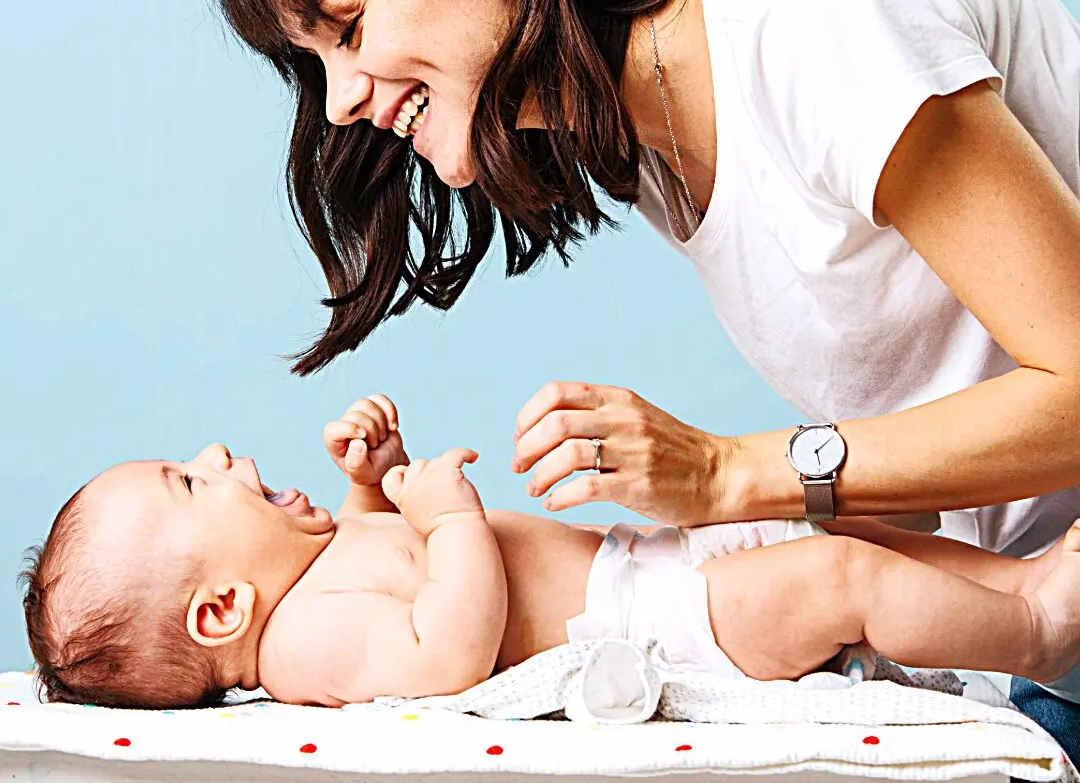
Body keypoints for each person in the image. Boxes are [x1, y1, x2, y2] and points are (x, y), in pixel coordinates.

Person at [199, 0, 1080, 753]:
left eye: (350, 27)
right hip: (1031, 642)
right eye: (314, 65)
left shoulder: (810, 18)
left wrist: (727, 475)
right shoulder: (656, 144)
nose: (337, 102)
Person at [20, 396, 1080, 710]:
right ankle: (1033, 631)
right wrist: (449, 521)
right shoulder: (301, 648)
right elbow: (442, 654)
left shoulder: (312, 575)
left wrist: (372, 481)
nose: (216, 455)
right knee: (841, 579)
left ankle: (1023, 582)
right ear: (220, 612)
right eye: (190, 481)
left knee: (851, 534)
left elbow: (376, 552)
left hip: (655, 565)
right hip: (663, 630)